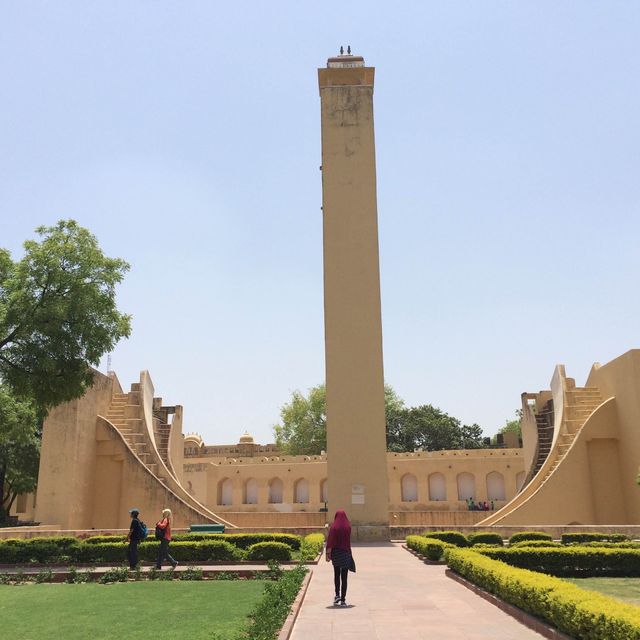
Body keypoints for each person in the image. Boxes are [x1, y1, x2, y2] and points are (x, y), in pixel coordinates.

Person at [325, 509, 353, 606]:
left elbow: (330, 540)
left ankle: (337, 595)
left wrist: (327, 553)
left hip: (336, 554)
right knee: (344, 577)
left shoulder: (334, 527)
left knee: (336, 575)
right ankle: (343, 600)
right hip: (345, 553)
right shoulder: (348, 527)